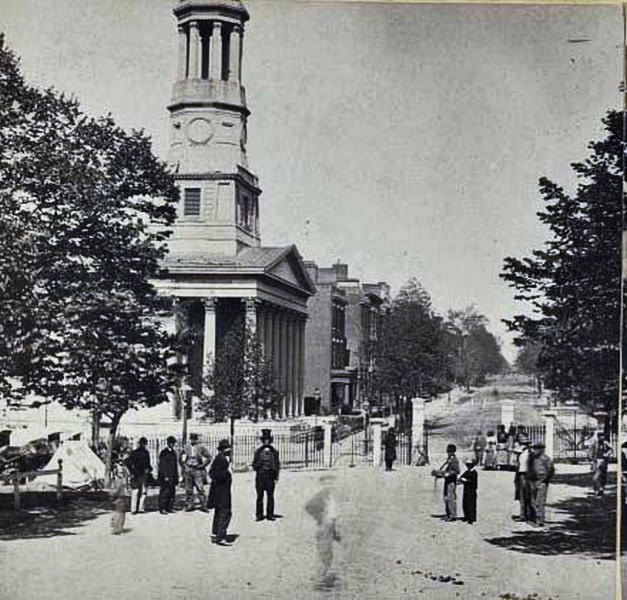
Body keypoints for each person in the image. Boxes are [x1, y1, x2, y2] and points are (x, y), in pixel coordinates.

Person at [305, 474, 342, 588]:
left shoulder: (330, 495)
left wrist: (335, 531)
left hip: (330, 525)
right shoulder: (321, 496)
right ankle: (319, 579)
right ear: (322, 484)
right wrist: (320, 517)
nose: (331, 485)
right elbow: (309, 506)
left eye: (332, 483)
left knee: (328, 553)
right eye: (327, 483)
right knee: (324, 552)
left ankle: (323, 576)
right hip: (324, 525)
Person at [208, 438, 233, 546]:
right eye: (227, 448)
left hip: (218, 491)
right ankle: (221, 536)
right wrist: (227, 474)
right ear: (223, 450)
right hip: (222, 491)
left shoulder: (220, 459)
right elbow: (215, 475)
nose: (229, 450)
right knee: (225, 513)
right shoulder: (221, 460)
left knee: (218, 512)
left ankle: (215, 533)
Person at [252, 429, 280, 521]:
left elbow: (277, 465)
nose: (266, 441)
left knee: (270, 496)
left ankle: (270, 514)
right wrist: (259, 464)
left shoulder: (274, 452)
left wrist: (276, 476)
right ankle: (259, 515)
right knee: (260, 496)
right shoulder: (258, 451)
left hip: (270, 476)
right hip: (260, 475)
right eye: (264, 440)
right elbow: (254, 464)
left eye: (268, 440)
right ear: (262, 441)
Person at [180, 433, 211, 511]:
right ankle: (189, 505)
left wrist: (203, 465)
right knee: (188, 489)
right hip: (188, 469)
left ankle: (204, 505)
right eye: (192, 439)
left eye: (195, 439)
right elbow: (180, 457)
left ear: (197, 439)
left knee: (200, 488)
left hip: (197, 469)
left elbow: (209, 457)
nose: (193, 441)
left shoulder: (201, 447)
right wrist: (184, 466)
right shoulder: (186, 447)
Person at [528, 442, 555, 527]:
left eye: (537, 448)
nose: (535, 450)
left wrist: (545, 480)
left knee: (540, 502)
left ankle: (540, 520)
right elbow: (529, 468)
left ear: (541, 449)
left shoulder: (546, 459)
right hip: (532, 481)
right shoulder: (531, 458)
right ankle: (534, 517)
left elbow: (551, 470)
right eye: (534, 448)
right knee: (533, 501)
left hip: (542, 481)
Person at [125, 437, 152, 514]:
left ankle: (138, 508)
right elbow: (128, 462)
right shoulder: (136, 453)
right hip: (137, 474)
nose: (143, 445)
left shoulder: (144, 453)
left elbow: (148, 464)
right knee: (137, 491)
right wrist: (132, 471)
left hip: (141, 474)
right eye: (143, 443)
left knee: (141, 491)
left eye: (144, 444)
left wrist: (148, 469)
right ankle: (136, 508)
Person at [512, 436, 533, 522]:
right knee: (525, 496)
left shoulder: (525, 454)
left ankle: (524, 515)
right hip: (523, 475)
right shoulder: (527, 453)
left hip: (523, 475)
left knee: (523, 495)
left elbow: (518, 466)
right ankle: (526, 514)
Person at [158, 436, 179, 514]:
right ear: (168, 443)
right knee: (164, 492)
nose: (172, 445)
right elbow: (162, 465)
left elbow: (175, 465)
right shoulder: (164, 452)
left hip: (172, 476)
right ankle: (162, 508)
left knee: (172, 492)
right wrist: (165, 475)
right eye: (171, 443)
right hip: (166, 476)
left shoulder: (173, 452)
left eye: (173, 443)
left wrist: (176, 476)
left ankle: (169, 507)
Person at [589, 431, 613, 496]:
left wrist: (607, 454)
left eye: (603, 436)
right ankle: (596, 490)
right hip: (596, 461)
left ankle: (602, 488)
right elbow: (590, 451)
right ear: (598, 437)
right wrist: (591, 460)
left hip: (604, 461)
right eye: (600, 436)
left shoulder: (605, 443)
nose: (602, 437)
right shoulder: (595, 443)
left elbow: (611, 449)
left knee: (603, 476)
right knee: (595, 477)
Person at [440, 444, 460, 521]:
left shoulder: (454, 460)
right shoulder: (449, 459)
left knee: (450, 498)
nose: (447, 452)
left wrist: (449, 473)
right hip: (447, 480)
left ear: (452, 451)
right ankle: (448, 514)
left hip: (451, 481)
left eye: (449, 451)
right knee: (446, 498)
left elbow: (457, 471)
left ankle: (452, 515)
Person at [458, 459, 478, 524]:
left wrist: (466, 480)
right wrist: (461, 479)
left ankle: (471, 518)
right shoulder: (467, 472)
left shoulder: (474, 473)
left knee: (471, 504)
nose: (468, 466)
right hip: (466, 490)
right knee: (465, 503)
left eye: (469, 465)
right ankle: (466, 516)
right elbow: (461, 477)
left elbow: (474, 482)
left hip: (472, 490)